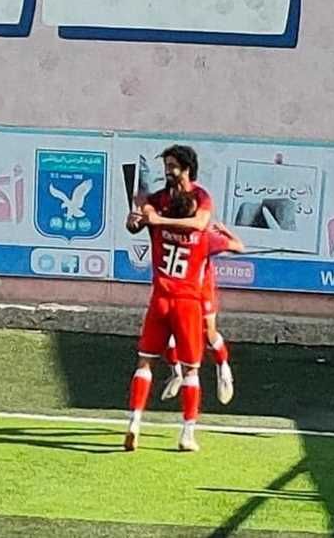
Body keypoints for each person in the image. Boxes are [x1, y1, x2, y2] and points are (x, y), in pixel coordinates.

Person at [124, 145, 212, 452]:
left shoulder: (180, 203)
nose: (167, 171)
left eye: (173, 166)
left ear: (187, 169)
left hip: (161, 297)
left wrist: (153, 220)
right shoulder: (175, 203)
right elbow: (136, 225)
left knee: (145, 362)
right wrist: (136, 219)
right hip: (186, 301)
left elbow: (194, 222)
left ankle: (135, 421)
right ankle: (187, 433)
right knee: (191, 369)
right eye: (167, 165)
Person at [161, 221, 244, 405]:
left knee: (208, 333)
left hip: (201, 292)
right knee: (167, 335)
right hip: (175, 292)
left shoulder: (204, 237)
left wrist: (225, 232)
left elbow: (239, 247)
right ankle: (176, 373)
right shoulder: (167, 231)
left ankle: (223, 368)